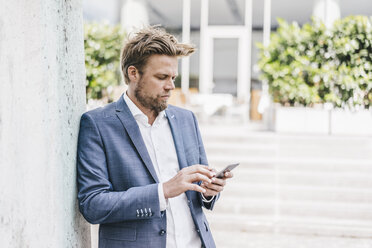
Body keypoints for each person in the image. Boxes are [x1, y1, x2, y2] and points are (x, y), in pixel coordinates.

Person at [77, 26, 233, 248]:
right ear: (133, 73)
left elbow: (197, 192)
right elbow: (93, 205)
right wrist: (163, 190)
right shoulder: (97, 124)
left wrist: (208, 191)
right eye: (161, 77)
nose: (170, 86)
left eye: (173, 77)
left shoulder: (186, 119)